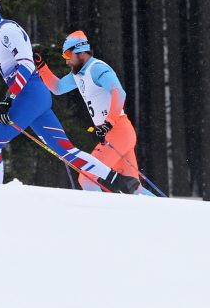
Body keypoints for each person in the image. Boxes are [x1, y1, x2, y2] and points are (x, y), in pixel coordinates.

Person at [0, 0, 140, 193]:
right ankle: (118, 179)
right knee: (66, 151)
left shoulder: (8, 31)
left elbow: (26, 66)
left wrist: (9, 99)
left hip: (30, 94)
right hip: (33, 97)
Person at [34, 31, 153, 195]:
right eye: (64, 55)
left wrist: (108, 123)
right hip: (115, 133)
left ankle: (99, 218)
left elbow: (119, 92)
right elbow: (58, 88)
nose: (66, 60)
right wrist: (42, 67)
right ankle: (171, 213)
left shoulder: (96, 68)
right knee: (133, 190)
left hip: (118, 130)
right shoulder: (78, 75)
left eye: (68, 54)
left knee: (86, 177)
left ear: (81, 52)